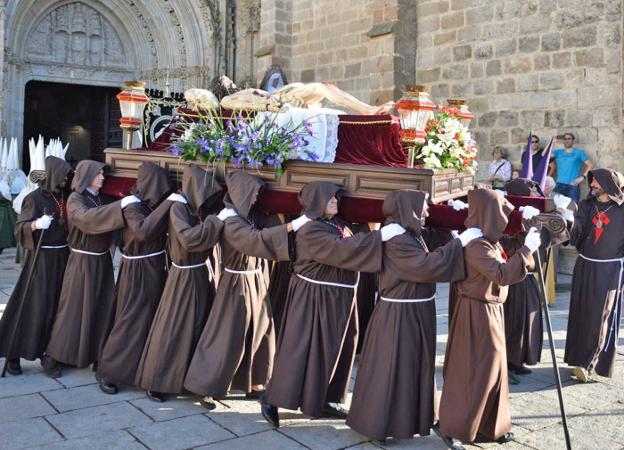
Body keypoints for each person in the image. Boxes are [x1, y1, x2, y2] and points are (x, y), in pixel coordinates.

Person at [259, 181, 405, 427]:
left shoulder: (337, 224)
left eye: (337, 198)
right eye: (330, 198)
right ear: (316, 201)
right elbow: (341, 250)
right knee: (302, 349)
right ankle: (272, 397)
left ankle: (324, 399)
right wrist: (381, 236)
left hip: (339, 297)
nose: (336, 201)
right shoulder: (311, 229)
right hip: (315, 298)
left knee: (337, 350)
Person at [346, 190, 481, 442]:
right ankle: (379, 422)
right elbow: (425, 267)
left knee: (412, 366)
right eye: (422, 207)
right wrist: (459, 243)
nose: (427, 212)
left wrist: (452, 231)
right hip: (399, 313)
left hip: (415, 309)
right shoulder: (398, 240)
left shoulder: (409, 234)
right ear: (408, 209)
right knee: (392, 367)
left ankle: (407, 418)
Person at [184, 172, 308, 408]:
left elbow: (265, 229)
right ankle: (206, 385)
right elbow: (254, 240)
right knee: (227, 335)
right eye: (252, 194)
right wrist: (293, 225)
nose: (255, 198)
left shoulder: (248, 215)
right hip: (237, 285)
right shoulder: (231, 220)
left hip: (256, 280)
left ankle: (255, 381)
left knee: (259, 332)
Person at [436, 189, 541, 449]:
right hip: (476, 312)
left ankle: (490, 425)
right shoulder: (476, 245)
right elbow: (502, 274)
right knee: (472, 371)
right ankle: (452, 426)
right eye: (500, 214)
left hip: (491, 310)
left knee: (493, 370)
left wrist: (529, 241)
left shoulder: (488, 241)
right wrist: (527, 249)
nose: (504, 220)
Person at [134, 165, 226, 402]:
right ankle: (157, 380)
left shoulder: (201, 209)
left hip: (202, 275)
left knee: (199, 326)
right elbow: (188, 239)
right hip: (184, 276)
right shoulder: (179, 208)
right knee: (173, 327)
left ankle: (194, 380)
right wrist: (216, 222)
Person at [44, 160, 140, 377]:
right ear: (87, 176)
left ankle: (95, 354)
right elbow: (87, 219)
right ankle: (54, 356)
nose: (103, 178)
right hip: (82, 262)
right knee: (73, 309)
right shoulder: (75, 198)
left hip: (102, 261)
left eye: (103, 175)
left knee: (101, 307)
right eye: (98, 174)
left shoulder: (100, 198)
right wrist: (121, 206)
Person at [97, 162, 184, 394]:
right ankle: (110, 372)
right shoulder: (132, 206)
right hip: (136, 270)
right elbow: (143, 231)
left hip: (155, 268)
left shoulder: (149, 203)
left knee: (152, 321)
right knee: (131, 319)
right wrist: (170, 203)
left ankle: (145, 373)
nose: (163, 193)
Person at [0, 156, 72, 375]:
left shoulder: (65, 197)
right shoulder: (34, 198)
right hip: (40, 260)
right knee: (32, 305)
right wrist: (34, 224)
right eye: (64, 174)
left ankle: (49, 354)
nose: (67, 179)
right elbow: (19, 228)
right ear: (54, 175)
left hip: (62, 258)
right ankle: (13, 352)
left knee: (55, 307)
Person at [503, 179, 571, 378]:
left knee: (528, 321)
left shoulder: (532, 215)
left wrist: (563, 213)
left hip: (528, 277)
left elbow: (549, 236)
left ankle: (517, 360)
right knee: (512, 322)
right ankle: (505, 362)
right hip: (511, 276)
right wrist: (557, 214)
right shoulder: (508, 216)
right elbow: (509, 243)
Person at [564, 168, 624, 382]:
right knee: (581, 312)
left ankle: (588, 364)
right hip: (585, 265)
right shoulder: (587, 205)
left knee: (599, 315)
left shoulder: (622, 208)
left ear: (609, 183)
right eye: (592, 182)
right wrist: (566, 219)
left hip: (610, 269)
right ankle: (576, 357)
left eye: (596, 182)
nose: (592, 185)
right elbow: (574, 237)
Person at [549, 133, 593, 204]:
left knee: (572, 209)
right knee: (554, 208)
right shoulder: (558, 152)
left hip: (572, 186)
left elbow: (590, 165)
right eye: (565, 139)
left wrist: (582, 177)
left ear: (573, 140)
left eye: (569, 139)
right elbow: (544, 155)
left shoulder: (578, 153)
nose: (567, 141)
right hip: (559, 185)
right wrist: (552, 142)